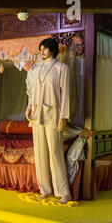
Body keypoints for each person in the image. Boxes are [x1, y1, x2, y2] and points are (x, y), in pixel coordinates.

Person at [25, 38, 72, 204]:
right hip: (37, 115)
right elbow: (32, 91)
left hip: (53, 115)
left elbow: (65, 94)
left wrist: (64, 117)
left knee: (55, 153)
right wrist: (29, 107)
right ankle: (45, 189)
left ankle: (63, 192)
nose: (42, 51)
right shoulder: (36, 69)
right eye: (41, 48)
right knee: (40, 153)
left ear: (52, 50)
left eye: (45, 48)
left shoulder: (61, 68)